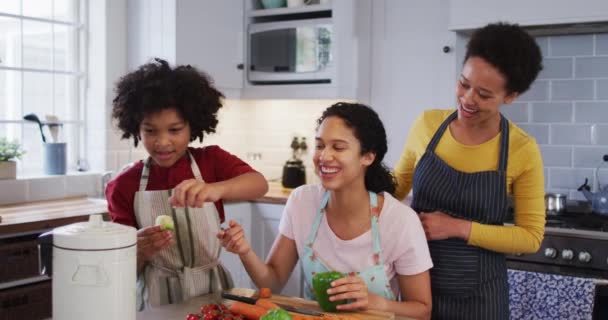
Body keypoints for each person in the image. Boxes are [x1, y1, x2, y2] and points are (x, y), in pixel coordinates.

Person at [219, 102, 433, 319]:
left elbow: (422, 310)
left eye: (338, 147)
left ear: (368, 156)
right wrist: (245, 252)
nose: (324, 156)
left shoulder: (400, 220)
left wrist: (377, 303)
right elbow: (273, 281)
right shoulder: (302, 201)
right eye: (320, 145)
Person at [393, 22, 545, 319]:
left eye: (484, 94)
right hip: (417, 290)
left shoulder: (521, 149)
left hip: (482, 299)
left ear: (510, 96)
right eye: (464, 83)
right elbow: (395, 185)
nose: (467, 99)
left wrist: (457, 227)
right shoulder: (427, 124)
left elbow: (530, 237)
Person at [106, 58, 269, 309]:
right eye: (151, 131)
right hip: (156, 299)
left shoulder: (211, 162)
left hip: (213, 292)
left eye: (174, 130)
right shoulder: (124, 185)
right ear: (136, 128)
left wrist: (216, 188)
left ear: (192, 126)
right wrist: (139, 251)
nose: (162, 142)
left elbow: (259, 184)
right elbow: (121, 269)